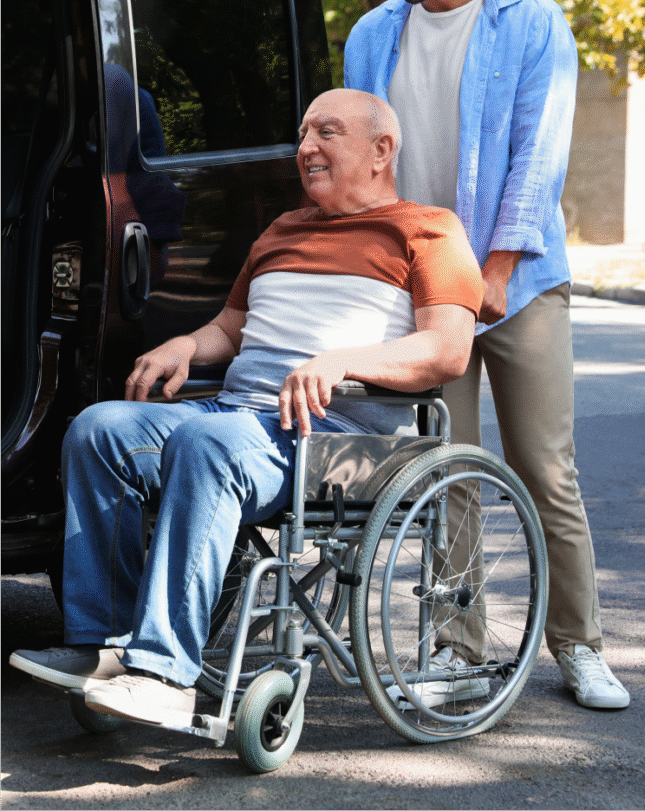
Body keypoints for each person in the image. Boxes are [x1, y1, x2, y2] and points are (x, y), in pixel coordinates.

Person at [10, 88, 484, 726]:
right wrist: (187, 343)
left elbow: (447, 351)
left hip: (338, 440)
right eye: (303, 134)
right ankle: (104, 647)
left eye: (327, 133)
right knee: (100, 429)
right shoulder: (283, 229)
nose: (306, 148)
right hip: (240, 419)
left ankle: (165, 673)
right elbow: (232, 328)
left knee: (211, 446)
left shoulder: (428, 230)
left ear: (381, 150)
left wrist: (344, 360)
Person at [344, 0, 630, 710]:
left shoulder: (532, 23)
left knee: (547, 468)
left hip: (521, 283)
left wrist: (496, 272)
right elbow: (365, 168)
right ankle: (457, 650)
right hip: (423, 288)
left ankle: (580, 646)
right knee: (446, 469)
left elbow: (539, 162)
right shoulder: (372, 35)